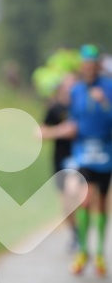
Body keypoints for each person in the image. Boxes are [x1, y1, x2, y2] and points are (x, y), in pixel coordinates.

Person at [40, 44, 112, 276]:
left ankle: (100, 253)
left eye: (92, 66)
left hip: (105, 151)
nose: (88, 69)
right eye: (85, 65)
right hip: (83, 151)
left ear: (97, 67)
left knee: (101, 204)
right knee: (85, 200)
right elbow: (68, 115)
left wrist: (104, 104)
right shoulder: (77, 91)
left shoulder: (109, 87)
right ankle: (83, 250)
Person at [42, 72, 79, 252]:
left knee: (77, 195)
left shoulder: (83, 107)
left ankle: (83, 234)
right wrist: (63, 131)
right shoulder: (55, 109)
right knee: (66, 202)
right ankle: (76, 233)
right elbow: (41, 133)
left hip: (81, 159)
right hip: (61, 158)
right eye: (67, 86)